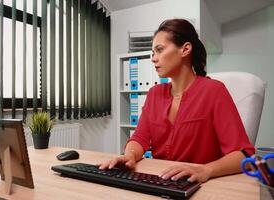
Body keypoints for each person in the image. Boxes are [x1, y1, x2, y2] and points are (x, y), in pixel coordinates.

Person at [99, 19, 255, 183]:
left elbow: (244, 154)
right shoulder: (154, 94)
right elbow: (140, 138)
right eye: (153, 52)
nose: (153, 58)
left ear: (185, 49)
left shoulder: (214, 90)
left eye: (159, 50)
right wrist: (129, 156)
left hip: (198, 184)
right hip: (160, 180)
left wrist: (206, 169)